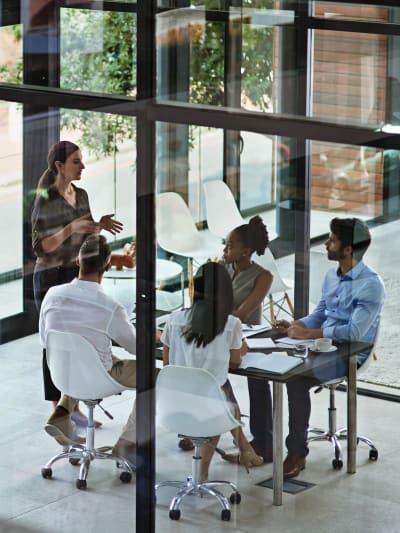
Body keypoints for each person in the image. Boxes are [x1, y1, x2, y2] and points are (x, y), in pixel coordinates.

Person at [275, 217, 385, 479]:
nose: (326, 243)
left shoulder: (371, 284)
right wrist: (295, 325)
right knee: (278, 364)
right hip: (322, 345)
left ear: (348, 250)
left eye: (332, 240)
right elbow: (321, 314)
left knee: (297, 379)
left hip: (350, 353)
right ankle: (264, 444)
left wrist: (309, 333)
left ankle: (296, 454)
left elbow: (354, 333)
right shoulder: (331, 276)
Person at [32, 140, 123, 428]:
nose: (82, 166)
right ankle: (60, 411)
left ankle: (73, 405)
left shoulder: (80, 195)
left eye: (82, 161)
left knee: (79, 341)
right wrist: (71, 227)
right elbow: (40, 247)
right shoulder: (46, 199)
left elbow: (84, 238)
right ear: (60, 166)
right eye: (76, 161)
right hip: (49, 278)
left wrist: (99, 226)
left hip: (74, 276)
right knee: (57, 345)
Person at [39, 234, 138, 467]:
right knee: (155, 378)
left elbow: (46, 341)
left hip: (63, 373)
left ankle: (62, 412)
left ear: (77, 261)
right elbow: (135, 347)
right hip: (99, 377)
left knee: (85, 357)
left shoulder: (52, 295)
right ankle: (126, 443)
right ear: (107, 266)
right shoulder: (110, 306)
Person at [161, 262, 264, 481]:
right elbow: (235, 362)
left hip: (174, 403)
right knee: (220, 396)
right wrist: (241, 346)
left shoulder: (174, 320)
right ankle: (203, 471)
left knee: (220, 392)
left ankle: (246, 450)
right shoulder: (231, 324)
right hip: (209, 409)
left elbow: (167, 364)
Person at [221, 215, 274, 463]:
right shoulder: (222, 268)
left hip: (249, 339)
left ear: (246, 251)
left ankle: (263, 442)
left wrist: (214, 314)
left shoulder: (263, 276)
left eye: (230, 245)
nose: (225, 249)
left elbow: (241, 314)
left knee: (258, 378)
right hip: (221, 334)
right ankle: (196, 429)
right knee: (201, 368)